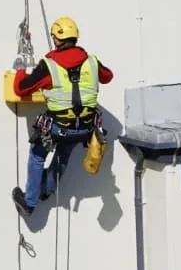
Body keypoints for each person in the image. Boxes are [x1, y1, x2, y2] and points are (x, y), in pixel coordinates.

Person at [11, 17, 113, 217]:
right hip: (84, 129)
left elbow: (20, 89)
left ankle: (29, 202)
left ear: (56, 39)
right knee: (63, 156)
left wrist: (21, 69)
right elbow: (107, 76)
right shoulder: (91, 62)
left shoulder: (49, 65)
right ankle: (47, 191)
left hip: (59, 127)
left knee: (38, 155)